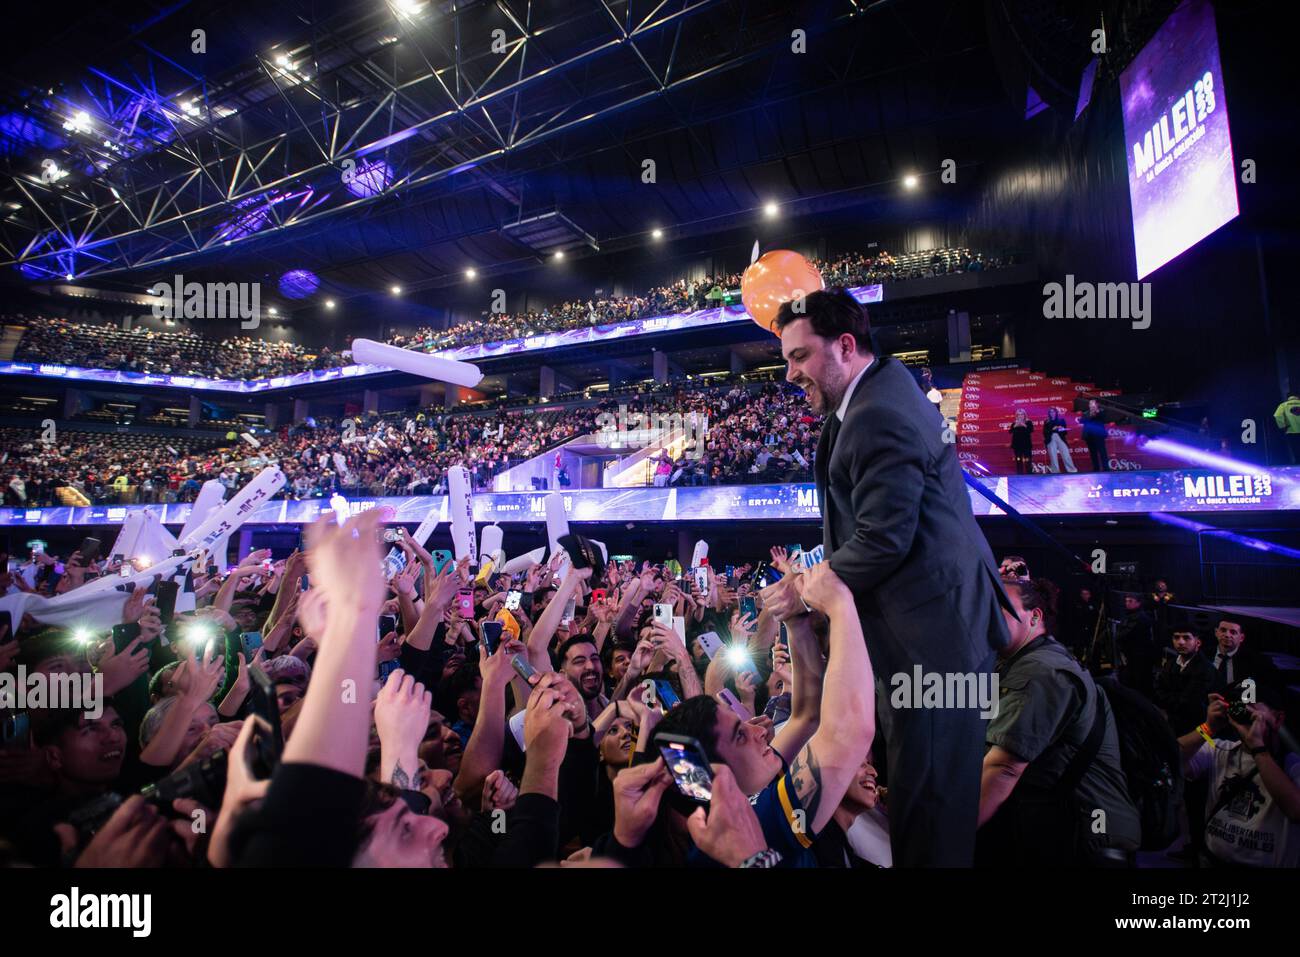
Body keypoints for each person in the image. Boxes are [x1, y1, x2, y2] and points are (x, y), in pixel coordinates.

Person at [776, 288, 1011, 866]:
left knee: (930, 812)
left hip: (932, 646)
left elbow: (883, 538)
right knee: (923, 800)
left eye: (799, 356)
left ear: (845, 346)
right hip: (930, 634)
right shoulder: (874, 391)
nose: (789, 373)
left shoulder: (876, 410)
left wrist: (809, 587)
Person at [976, 575, 1141, 866]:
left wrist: (947, 834)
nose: (984, 617)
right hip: (1060, 826)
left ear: (1034, 617)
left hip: (1083, 837)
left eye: (998, 609)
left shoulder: (1041, 671)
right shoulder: (1021, 661)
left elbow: (1004, 767)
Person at [1175, 694, 1300, 867]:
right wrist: (1208, 728)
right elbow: (1169, 759)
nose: (1246, 710)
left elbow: (1296, 810)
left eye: (1254, 706)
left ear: (1278, 719)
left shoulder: (1293, 764)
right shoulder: (1221, 749)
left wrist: (1258, 748)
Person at [1153, 628, 1214, 736]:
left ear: (1198, 642)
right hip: (1173, 724)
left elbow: (1191, 701)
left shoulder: (1206, 668)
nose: (1180, 642)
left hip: (1198, 727)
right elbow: (1157, 689)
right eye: (1176, 637)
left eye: (1186, 638)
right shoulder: (1170, 664)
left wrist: (1167, 700)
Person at [1042, 407, 1077, 474]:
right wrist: (1053, 429)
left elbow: (1065, 432)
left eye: (1054, 412)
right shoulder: (1046, 421)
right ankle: (1055, 471)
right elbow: (1045, 432)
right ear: (1049, 413)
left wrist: (1061, 428)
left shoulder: (1061, 420)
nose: (1052, 413)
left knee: (1066, 454)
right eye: (1051, 412)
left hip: (1060, 437)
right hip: (1051, 438)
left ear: (1056, 412)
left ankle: (1072, 470)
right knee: (1053, 456)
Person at [1082, 399, 1110, 472]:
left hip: (1099, 436)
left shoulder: (1101, 411)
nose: (1091, 405)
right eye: (1090, 404)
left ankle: (1106, 469)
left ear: (1097, 405)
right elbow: (1083, 420)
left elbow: (1103, 418)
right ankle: (1096, 469)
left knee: (1102, 452)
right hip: (1089, 436)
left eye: (1093, 404)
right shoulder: (1086, 413)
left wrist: (1096, 411)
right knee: (1093, 454)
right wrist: (1091, 413)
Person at [1272, 392, 1300, 464]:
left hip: (1291, 431)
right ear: (1297, 396)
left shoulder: (1283, 405)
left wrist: (1283, 426)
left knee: (1296, 450)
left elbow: (1277, 416)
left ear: (1288, 397)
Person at [1009, 409, 1033, 475]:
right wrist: (1015, 425)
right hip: (1017, 445)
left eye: (1021, 414)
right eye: (1018, 414)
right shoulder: (1014, 423)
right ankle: (1020, 475)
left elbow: (1031, 430)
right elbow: (1010, 431)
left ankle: (1029, 474)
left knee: (1028, 460)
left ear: (1024, 415)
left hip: (1026, 445)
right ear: (1016, 416)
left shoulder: (1028, 422)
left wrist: (1023, 424)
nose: (1020, 416)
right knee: (1018, 460)